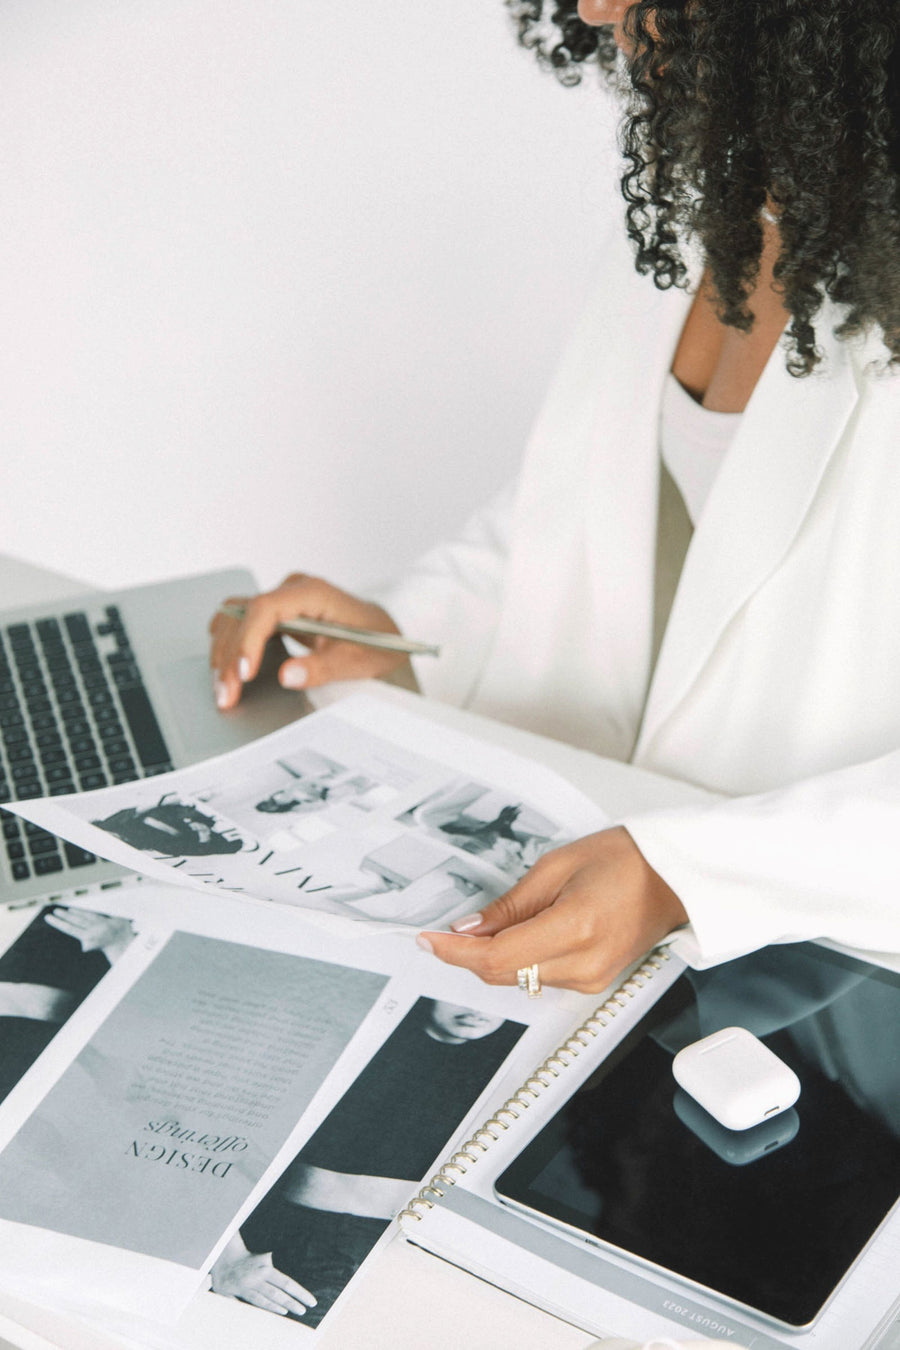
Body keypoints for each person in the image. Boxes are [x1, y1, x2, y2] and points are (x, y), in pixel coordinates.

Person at [210, 0, 900, 995]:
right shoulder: (707, 189)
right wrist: (406, 635)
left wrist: (688, 873)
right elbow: (583, 509)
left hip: (840, 997)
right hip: (637, 949)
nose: (590, 8)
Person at [209, 999, 522, 1325]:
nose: (478, 1008)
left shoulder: (517, 1067)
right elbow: (212, 1138)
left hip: (429, 1263)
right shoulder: (344, 1037)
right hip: (304, 1249)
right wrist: (225, 1255)